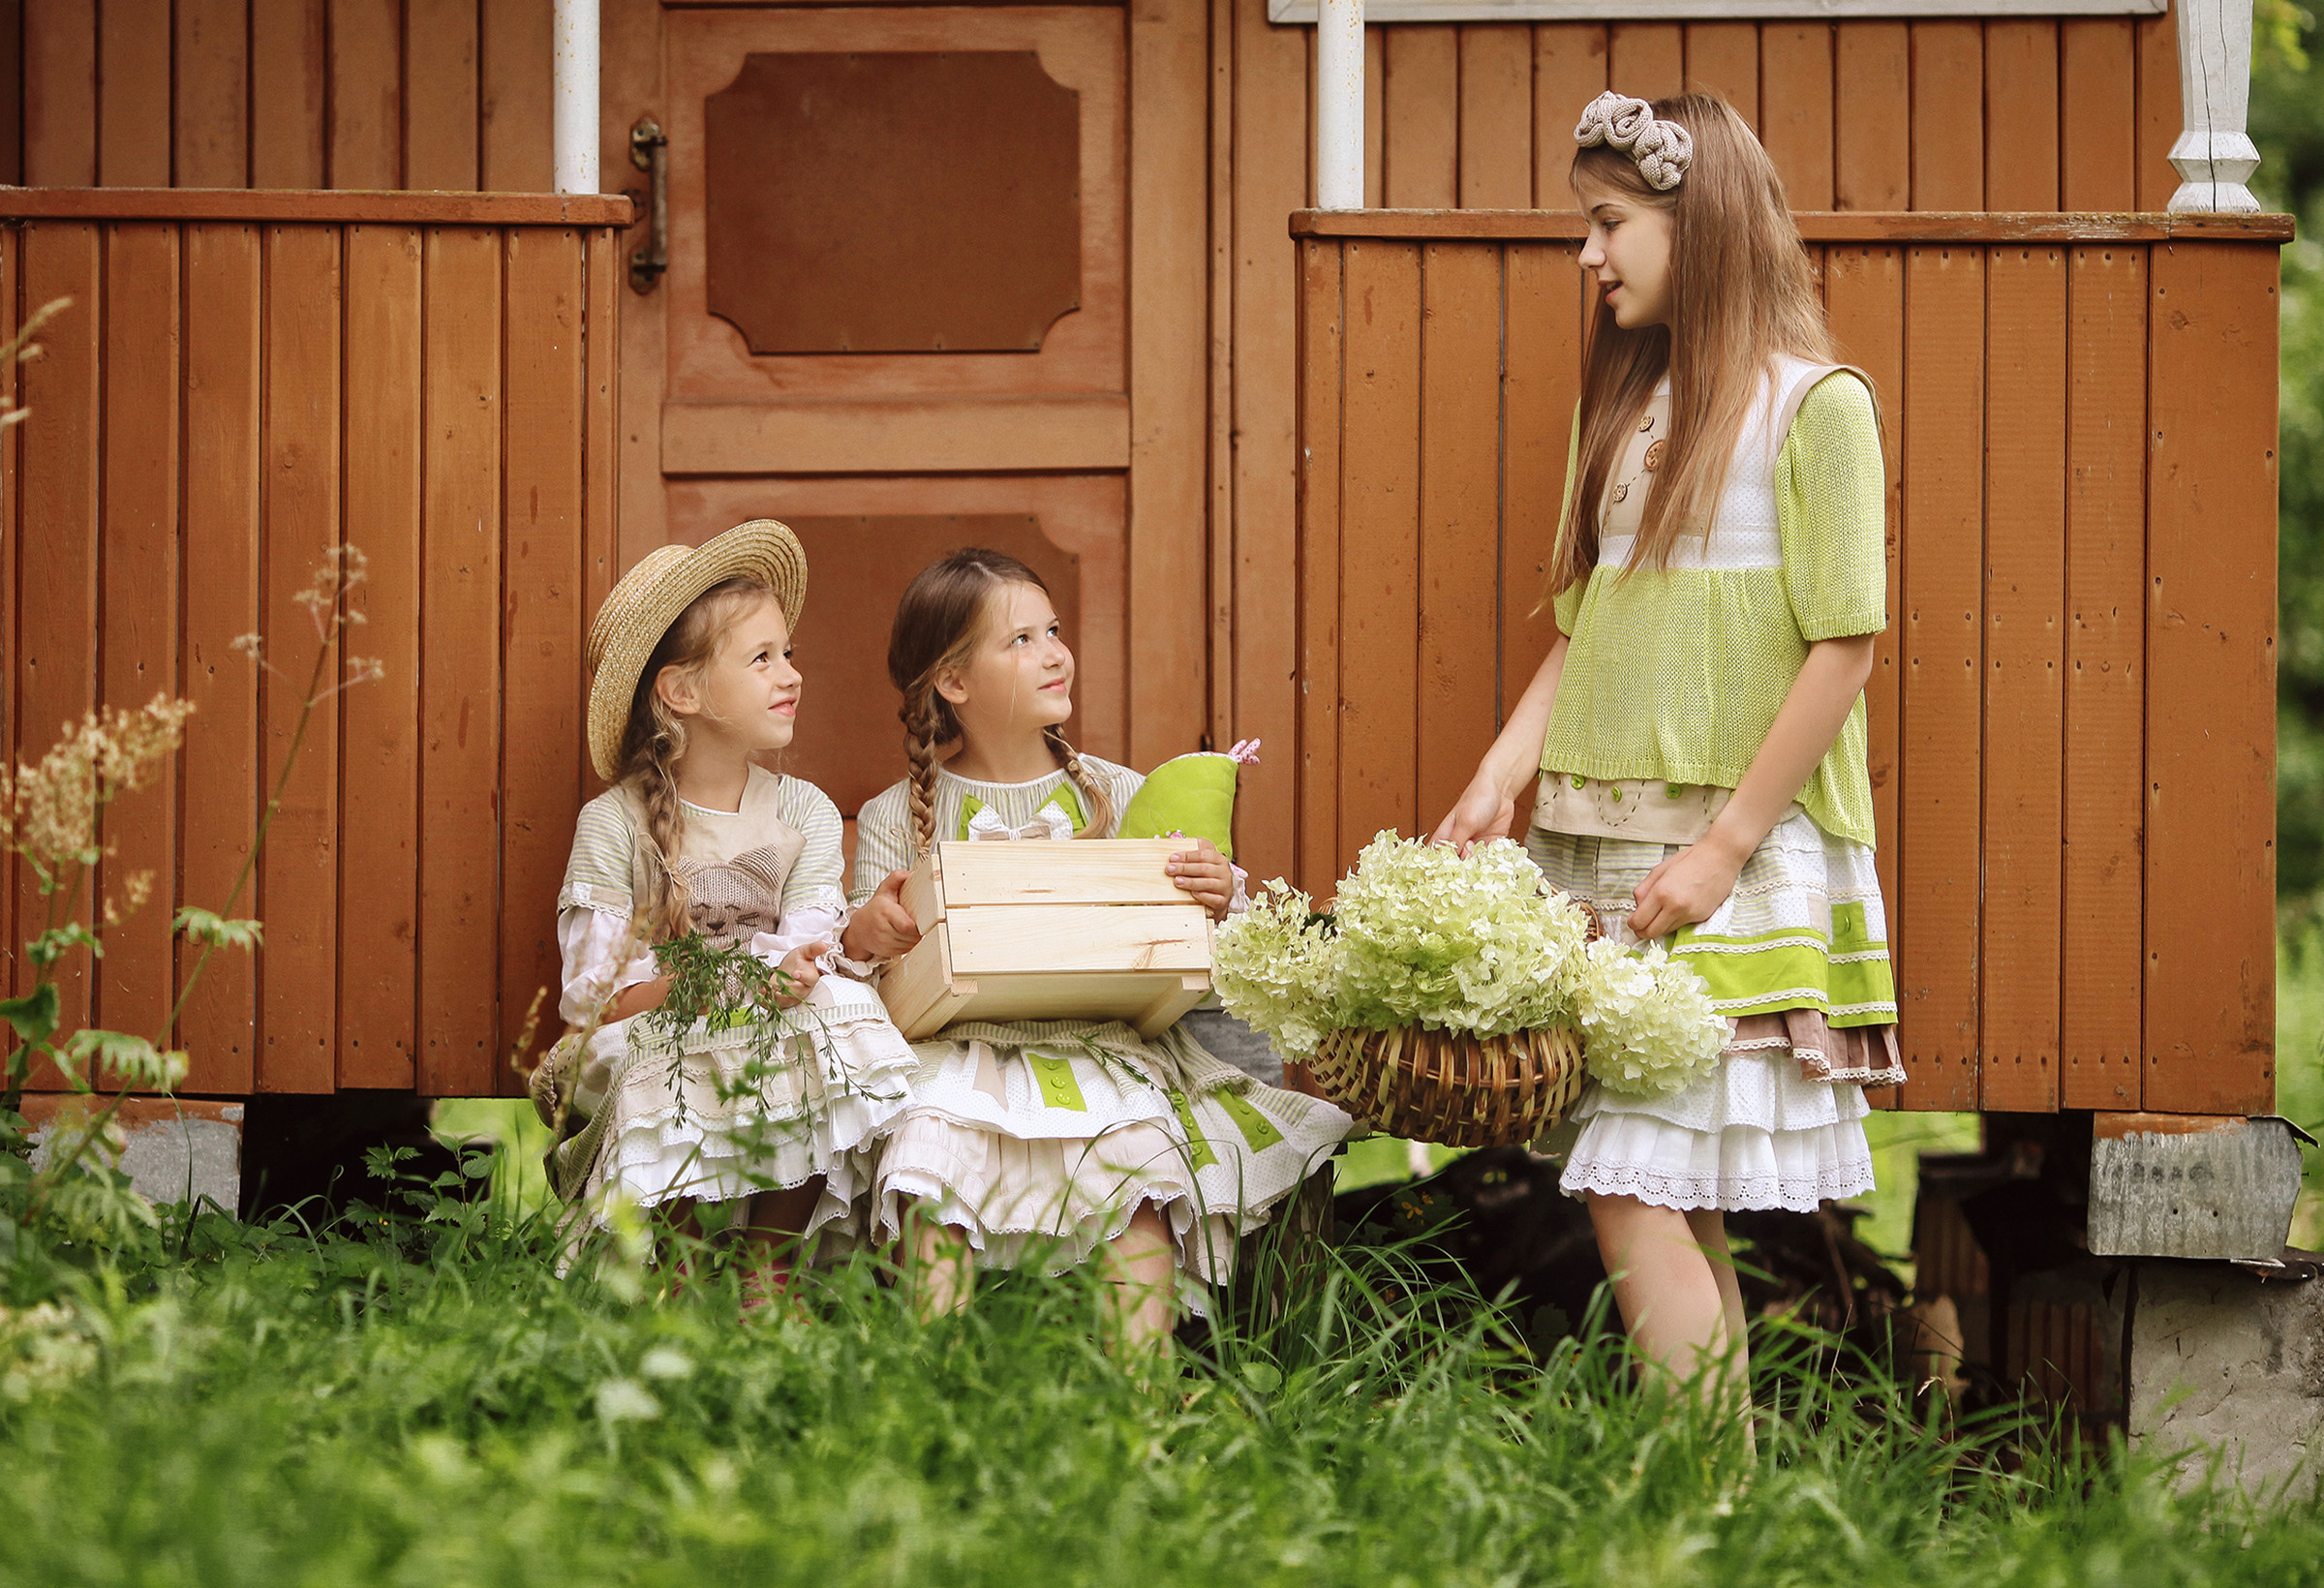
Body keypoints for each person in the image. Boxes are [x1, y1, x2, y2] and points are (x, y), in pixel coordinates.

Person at [1433, 92, 1906, 1405]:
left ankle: (1695, 1485)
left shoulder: (1818, 407)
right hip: (1606, 842)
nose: (1587, 254)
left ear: (1701, 225)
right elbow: (1589, 626)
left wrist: (1722, 850)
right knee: (1664, 1185)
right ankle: (1718, 1489)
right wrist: (1498, 775)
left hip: (1725, 853)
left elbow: (1845, 648)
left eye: (1609, 222)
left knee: (1629, 1182)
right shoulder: (1629, 410)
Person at [849, 548, 1352, 1349]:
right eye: (1021, 640)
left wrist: (1214, 895)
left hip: (1106, 1046)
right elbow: (866, 971)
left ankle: (1139, 1391)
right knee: (928, 1160)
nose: (1055, 653)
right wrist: (872, 932)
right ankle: (935, 1383)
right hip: (957, 1055)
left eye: (1053, 630)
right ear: (954, 681)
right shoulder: (895, 817)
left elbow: (1195, 940)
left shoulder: (1119, 792)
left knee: (1137, 1176)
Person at [537, 519, 922, 1302]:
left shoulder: (803, 812)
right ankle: (677, 1273)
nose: (792, 675)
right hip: (649, 1031)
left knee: (839, 1012)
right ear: (681, 692)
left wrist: (833, 951)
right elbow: (597, 1001)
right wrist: (731, 982)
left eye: (789, 653)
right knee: (674, 1053)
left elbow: (813, 943)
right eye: (761, 658)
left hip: (770, 1022)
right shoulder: (614, 824)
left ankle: (766, 1272)